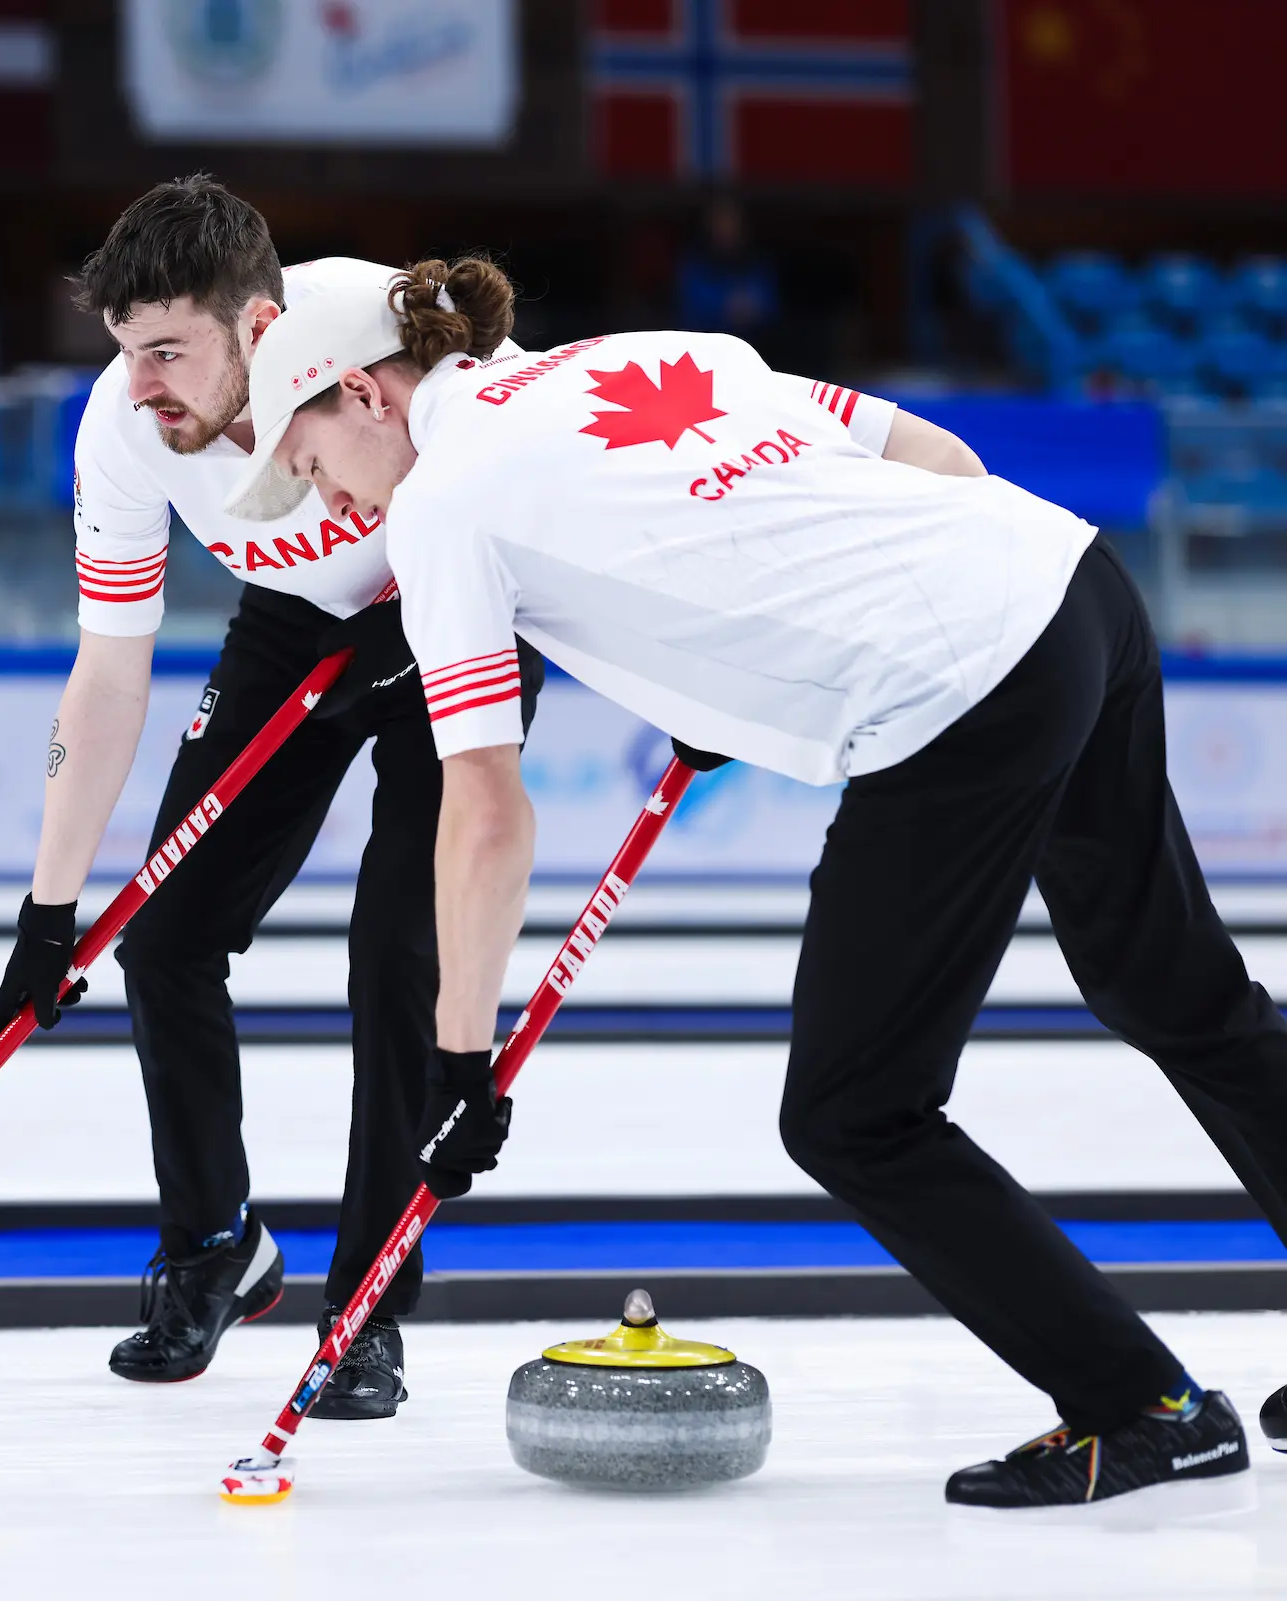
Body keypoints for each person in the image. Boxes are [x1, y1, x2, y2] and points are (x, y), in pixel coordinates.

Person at [223, 257, 1287, 1511]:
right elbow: (933, 457)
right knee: (1178, 990)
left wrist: (458, 1064)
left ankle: (1143, 1409)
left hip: (954, 693)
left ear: (363, 393)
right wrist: (736, 669)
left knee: (855, 1111)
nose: (320, 492)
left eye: (306, 456)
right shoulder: (637, 354)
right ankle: (1145, 1396)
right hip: (1070, 584)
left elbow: (486, 809)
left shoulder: (443, 504)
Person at [0, 177, 542, 1416]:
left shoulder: (386, 328)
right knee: (166, 933)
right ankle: (214, 1243)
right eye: (126, 352)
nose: (140, 384)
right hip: (298, 626)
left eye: (168, 350)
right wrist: (50, 910)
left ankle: (366, 1308)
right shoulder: (124, 429)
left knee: (400, 952)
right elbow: (110, 668)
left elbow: (566, 464)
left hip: (455, 611)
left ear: (260, 326)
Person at [676, 194, 777, 340]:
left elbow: (771, 306)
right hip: (705, 347)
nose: (726, 228)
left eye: (731, 221)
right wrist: (724, 308)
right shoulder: (694, 262)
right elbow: (688, 309)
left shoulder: (758, 261)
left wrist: (752, 310)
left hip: (753, 347)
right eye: (720, 221)